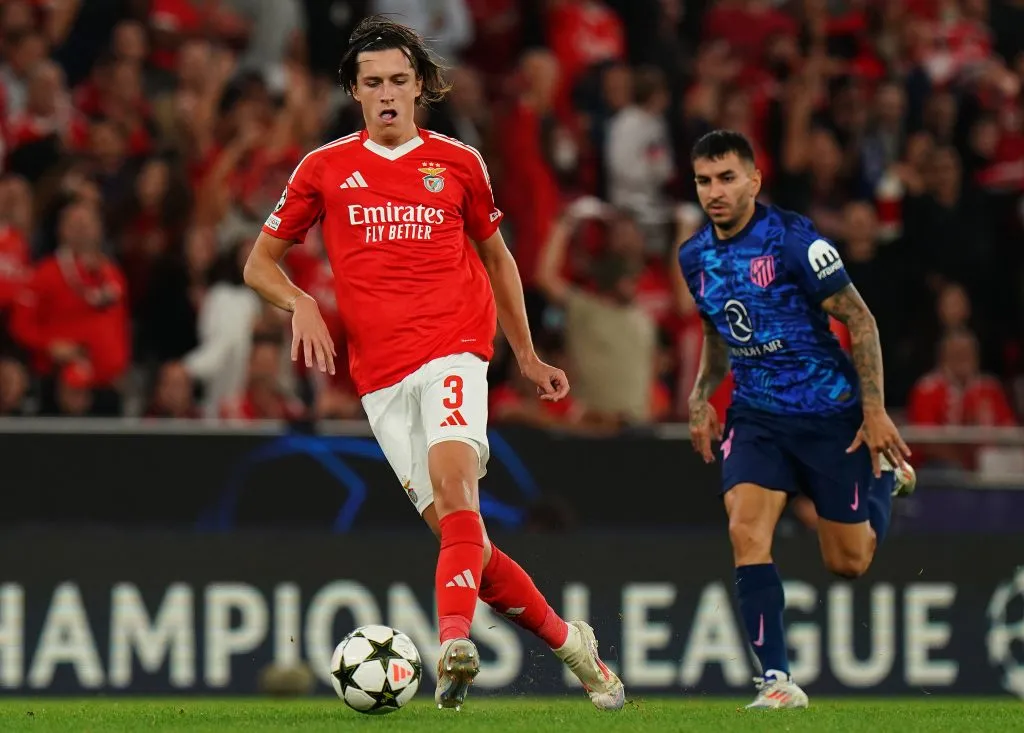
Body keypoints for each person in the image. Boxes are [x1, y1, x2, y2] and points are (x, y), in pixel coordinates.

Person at [241, 16, 624, 713]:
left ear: (420, 86)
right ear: (353, 93)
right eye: (372, 83)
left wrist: (529, 355)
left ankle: (452, 642)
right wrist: (297, 300)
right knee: (462, 538)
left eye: (398, 80)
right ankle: (574, 644)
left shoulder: (458, 162)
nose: (387, 94)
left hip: (455, 346)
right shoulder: (324, 168)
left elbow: (499, 259)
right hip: (380, 379)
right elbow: (259, 262)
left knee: (456, 486)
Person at [678, 130, 917, 709]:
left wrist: (874, 410)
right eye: (705, 181)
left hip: (829, 415)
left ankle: (885, 478)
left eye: (727, 178)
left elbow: (860, 321)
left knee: (849, 563)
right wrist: (701, 395)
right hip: (757, 417)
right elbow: (717, 330)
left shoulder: (794, 242)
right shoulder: (694, 256)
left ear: (754, 180)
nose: (716, 191)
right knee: (745, 529)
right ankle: (777, 680)